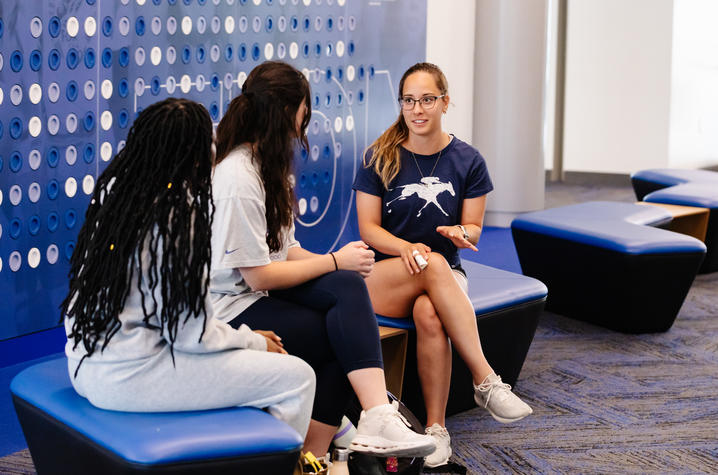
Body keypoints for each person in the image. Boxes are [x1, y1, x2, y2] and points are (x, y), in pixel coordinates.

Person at [210, 61, 436, 461]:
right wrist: (334, 261)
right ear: (285, 114)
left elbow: (286, 250)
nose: (304, 126)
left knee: (346, 289)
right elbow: (258, 273)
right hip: (229, 309)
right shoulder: (237, 177)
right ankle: (323, 450)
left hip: (257, 293)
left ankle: (368, 422)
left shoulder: (270, 167)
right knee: (335, 329)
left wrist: (338, 266)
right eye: (303, 115)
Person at [62, 98, 317, 439]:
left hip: (84, 364)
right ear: (198, 155)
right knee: (298, 377)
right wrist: (250, 341)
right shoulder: (178, 214)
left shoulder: (115, 192)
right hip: (132, 377)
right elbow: (189, 334)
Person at [353, 62, 533, 468]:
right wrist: (405, 248)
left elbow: (474, 230)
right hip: (385, 276)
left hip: (444, 276)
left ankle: (436, 429)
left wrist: (460, 235)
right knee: (431, 265)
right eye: (409, 101)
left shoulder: (468, 160)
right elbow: (368, 229)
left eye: (428, 100)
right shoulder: (378, 156)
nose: (418, 110)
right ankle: (485, 380)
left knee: (430, 311)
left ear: (445, 102)